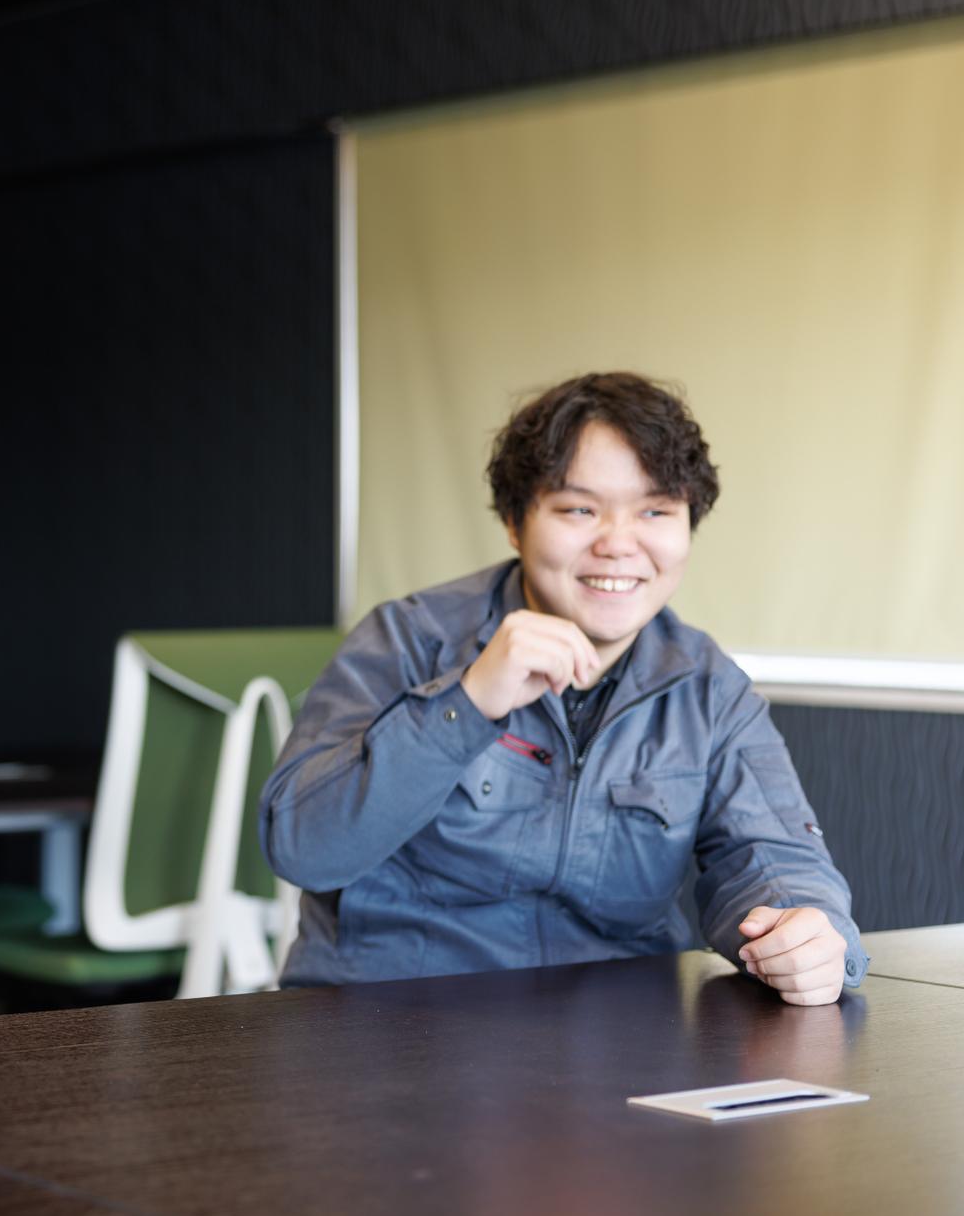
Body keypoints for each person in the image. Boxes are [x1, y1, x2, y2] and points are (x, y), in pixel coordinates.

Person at [260, 372, 865, 1005]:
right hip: (390, 1025)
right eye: (579, 509)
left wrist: (808, 933)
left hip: (613, 1039)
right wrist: (467, 703)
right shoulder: (408, 641)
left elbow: (772, 856)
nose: (618, 545)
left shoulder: (708, 688)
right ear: (515, 522)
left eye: (655, 511)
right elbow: (302, 845)